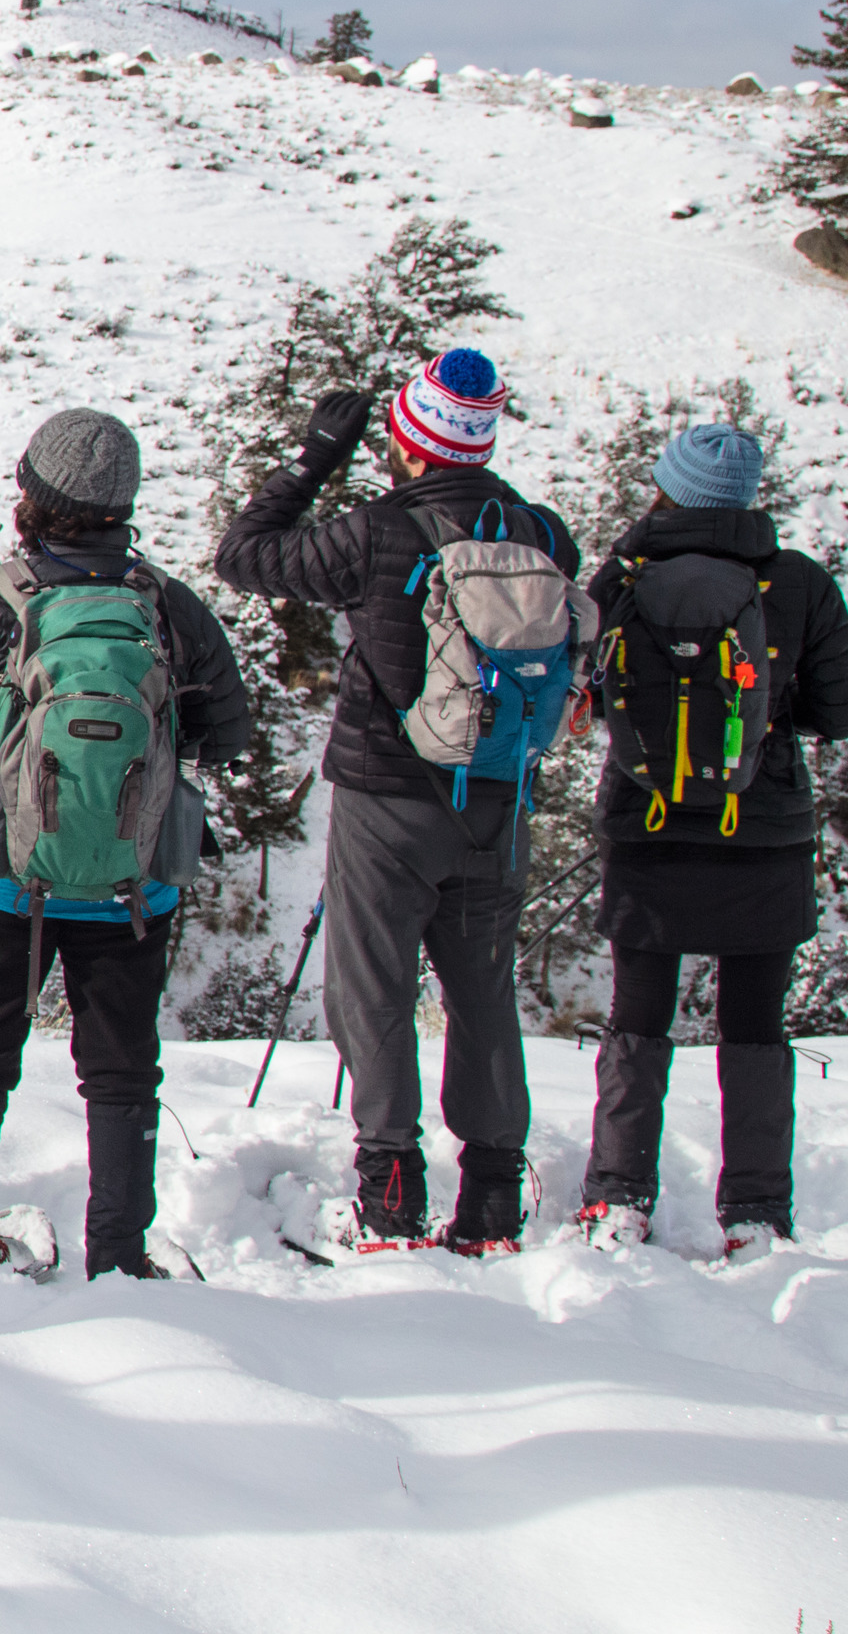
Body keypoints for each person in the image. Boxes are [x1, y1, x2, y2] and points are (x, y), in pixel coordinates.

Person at [214, 348, 584, 1254]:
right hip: (497, 797)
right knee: (482, 990)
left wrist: (311, 461)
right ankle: (492, 1199)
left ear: (409, 442)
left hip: (387, 793)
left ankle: (389, 1196)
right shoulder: (542, 533)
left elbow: (244, 557)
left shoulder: (376, 532)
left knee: (373, 989)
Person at [0, 409, 253, 1283]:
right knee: (121, 1067)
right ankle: (120, 1257)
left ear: (31, 497)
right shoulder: (168, 607)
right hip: (133, 883)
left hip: (4, 879)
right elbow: (228, 735)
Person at [574, 421, 848, 1255]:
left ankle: (617, 1196)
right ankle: (753, 1213)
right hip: (761, 828)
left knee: (639, 1018)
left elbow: (582, 678)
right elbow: (843, 711)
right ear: (746, 497)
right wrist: (770, 716)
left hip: (647, 821)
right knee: (752, 1024)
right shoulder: (799, 582)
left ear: (664, 489)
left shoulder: (625, 576)